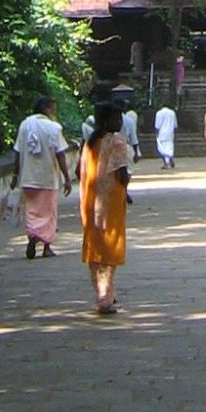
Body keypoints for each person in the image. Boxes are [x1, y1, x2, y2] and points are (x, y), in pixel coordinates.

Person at [80, 102, 131, 314]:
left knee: (95, 247)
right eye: (116, 118)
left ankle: (104, 291)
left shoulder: (90, 143)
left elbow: (79, 172)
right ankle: (105, 298)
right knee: (110, 247)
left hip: (90, 202)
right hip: (110, 203)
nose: (119, 122)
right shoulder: (117, 142)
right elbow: (122, 174)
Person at [11, 97, 73, 259]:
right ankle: (46, 246)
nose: (54, 112)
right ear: (46, 109)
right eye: (53, 108)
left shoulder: (24, 125)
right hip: (48, 178)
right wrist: (66, 177)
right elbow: (60, 154)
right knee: (49, 212)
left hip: (27, 176)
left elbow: (17, 152)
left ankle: (32, 236)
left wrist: (15, 174)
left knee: (31, 211)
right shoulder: (53, 128)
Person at [154, 103, 177, 168]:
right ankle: (171, 159)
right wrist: (175, 133)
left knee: (162, 149)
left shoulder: (159, 113)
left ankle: (165, 163)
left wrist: (156, 134)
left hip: (162, 134)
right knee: (170, 148)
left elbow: (157, 125)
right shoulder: (172, 113)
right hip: (170, 133)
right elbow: (175, 125)